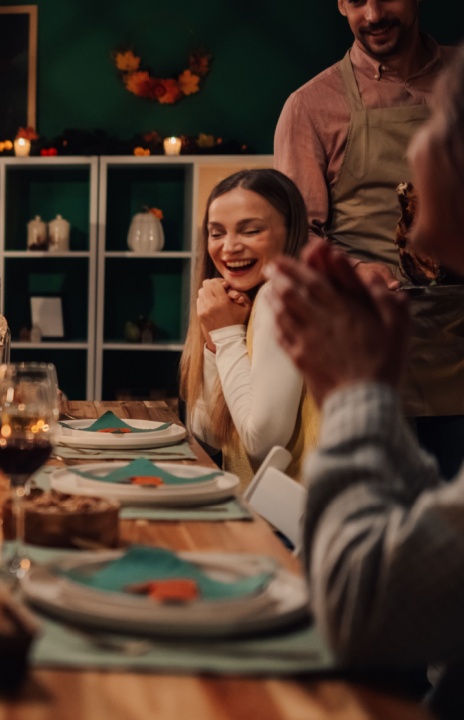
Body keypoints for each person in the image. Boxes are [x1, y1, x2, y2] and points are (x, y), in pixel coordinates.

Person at [269, 49, 464, 716]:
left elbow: (367, 612)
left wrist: (354, 397)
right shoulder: (312, 101)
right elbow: (428, 569)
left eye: (430, 135)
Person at [273, 0, 464, 476]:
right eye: (356, 0)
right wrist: (357, 270)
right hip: (376, 351)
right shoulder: (312, 105)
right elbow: (298, 236)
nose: (373, 13)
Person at [179, 169, 314, 488]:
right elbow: (210, 433)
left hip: (301, 530)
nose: (228, 248)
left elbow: (264, 447)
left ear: (290, 232)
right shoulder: (249, 300)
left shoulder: (283, 294)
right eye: (216, 233)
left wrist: (226, 336)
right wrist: (215, 341)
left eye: (250, 231)